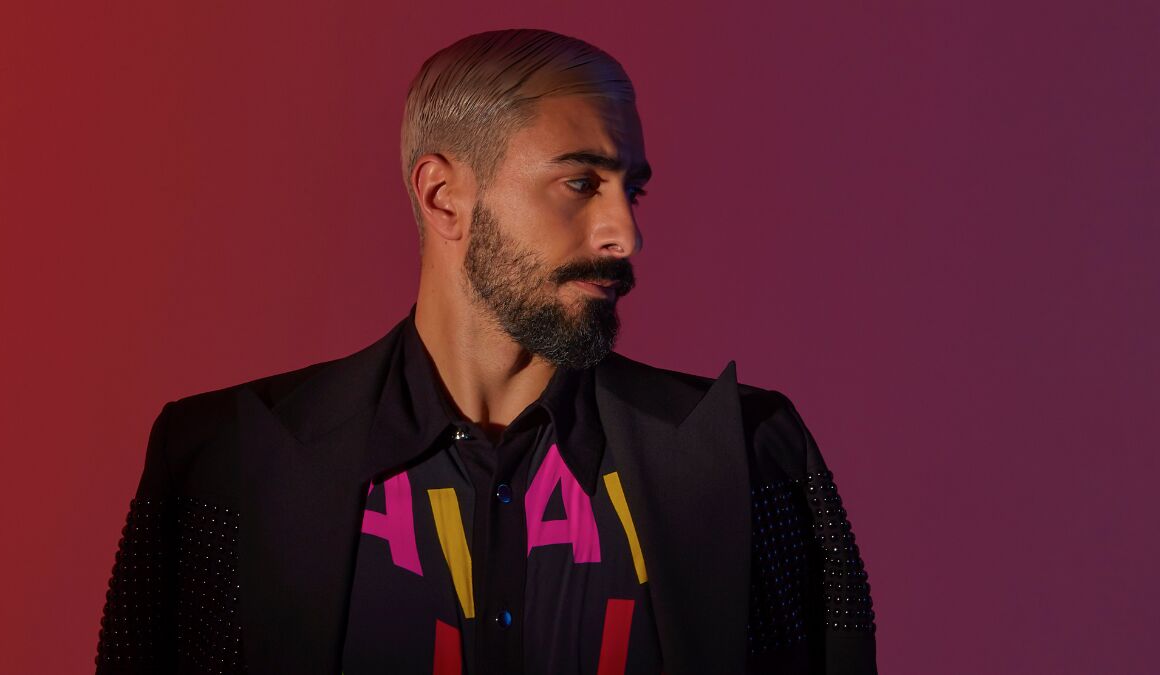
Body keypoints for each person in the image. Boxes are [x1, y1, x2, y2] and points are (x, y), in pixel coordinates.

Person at [94, 28, 876, 675]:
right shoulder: (224, 464)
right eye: (581, 183)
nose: (625, 234)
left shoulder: (749, 456)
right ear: (443, 197)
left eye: (629, 190)